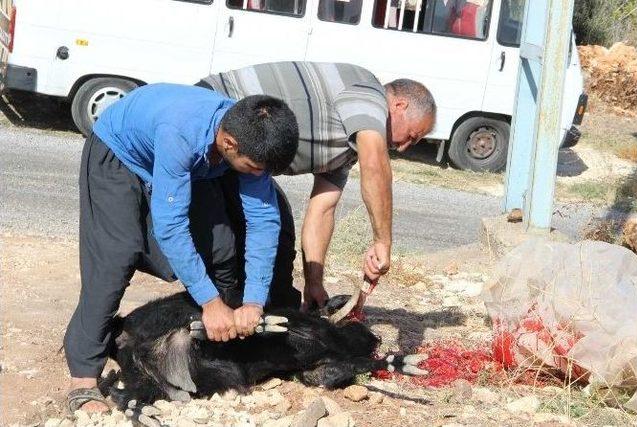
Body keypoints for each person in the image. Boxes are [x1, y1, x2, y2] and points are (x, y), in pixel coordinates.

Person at [63, 83, 298, 413]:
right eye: (256, 169)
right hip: (121, 154)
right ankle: (83, 379)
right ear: (229, 144)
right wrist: (209, 301)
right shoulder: (181, 131)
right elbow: (171, 226)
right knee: (115, 258)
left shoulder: (248, 135)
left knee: (221, 247)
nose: (259, 176)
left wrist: (254, 300)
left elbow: (263, 220)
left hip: (191, 164)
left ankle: (216, 343)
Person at [197, 62, 436, 311]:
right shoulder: (369, 92)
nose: (405, 147)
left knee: (277, 238)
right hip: (212, 123)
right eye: (411, 136)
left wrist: (314, 283)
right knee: (227, 250)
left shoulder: (347, 146)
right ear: (399, 106)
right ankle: (225, 321)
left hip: (243, 164)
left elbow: (322, 209)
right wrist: (382, 242)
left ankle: (268, 317)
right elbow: (375, 164)